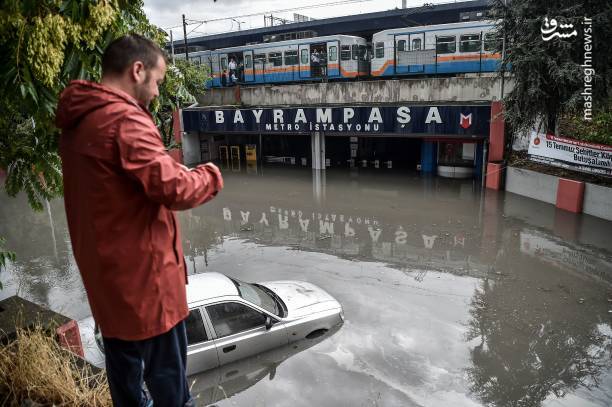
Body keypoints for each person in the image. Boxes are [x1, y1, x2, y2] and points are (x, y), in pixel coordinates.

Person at [55, 34, 224, 407]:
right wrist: (211, 173)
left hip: (110, 287)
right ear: (137, 70)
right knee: (173, 395)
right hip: (148, 291)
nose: (157, 94)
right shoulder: (124, 120)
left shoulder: (78, 122)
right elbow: (174, 187)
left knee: (128, 391)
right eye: (158, 82)